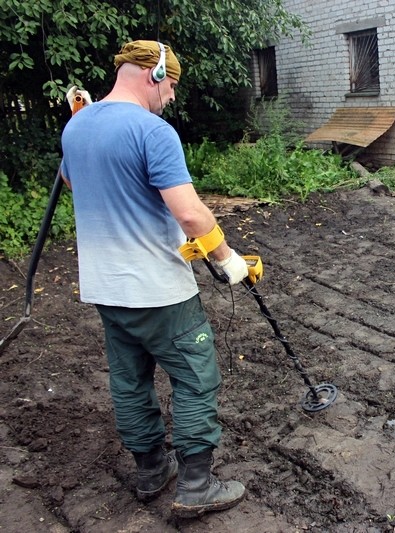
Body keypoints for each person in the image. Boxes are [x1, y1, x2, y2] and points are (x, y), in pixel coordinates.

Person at [60, 40, 252, 518]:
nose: (170, 98)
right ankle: (196, 486)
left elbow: (71, 181)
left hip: (105, 286)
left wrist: (83, 124)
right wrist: (228, 261)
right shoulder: (153, 130)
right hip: (158, 290)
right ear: (155, 75)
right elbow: (190, 213)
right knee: (194, 378)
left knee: (129, 380)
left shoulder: (77, 126)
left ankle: (151, 472)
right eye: (171, 87)